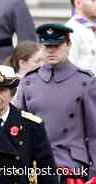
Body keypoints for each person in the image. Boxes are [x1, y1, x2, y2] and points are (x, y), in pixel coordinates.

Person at [17, 23, 96, 183]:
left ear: (68, 45)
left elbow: (94, 133)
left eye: (57, 45)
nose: (51, 50)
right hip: (35, 168)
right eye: (47, 46)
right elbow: (18, 129)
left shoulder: (86, 81)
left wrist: (94, 173)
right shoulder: (29, 81)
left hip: (72, 167)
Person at [66, 0, 96, 74]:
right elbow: (69, 67)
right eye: (93, 0)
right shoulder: (71, 30)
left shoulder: (91, 27)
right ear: (78, 2)